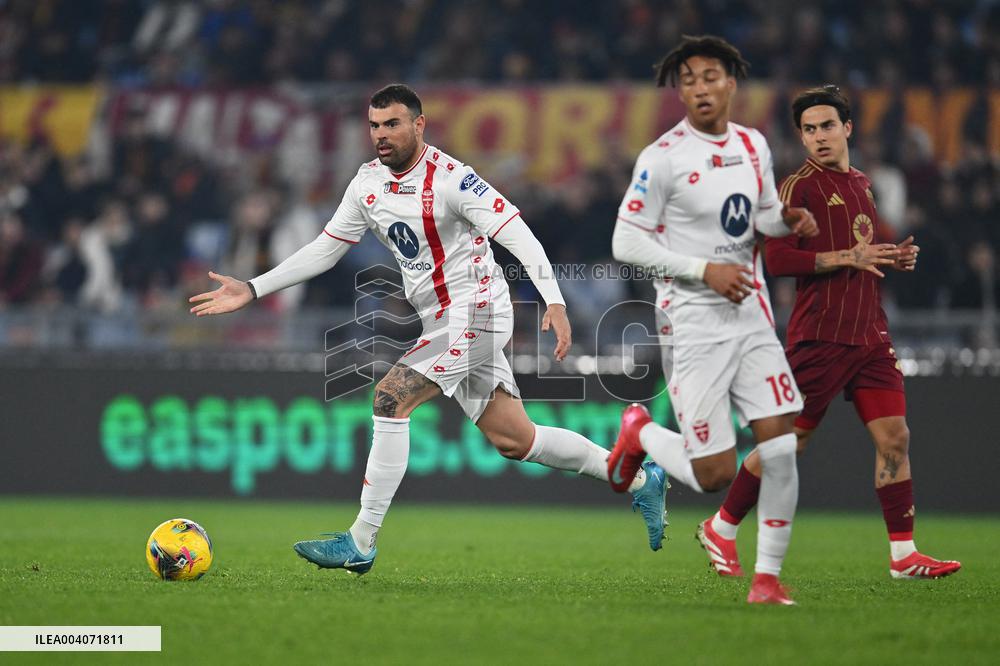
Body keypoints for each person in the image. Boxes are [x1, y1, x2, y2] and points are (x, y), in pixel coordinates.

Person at [189, 84, 669, 573]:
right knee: (515, 440)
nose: (382, 134)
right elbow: (327, 247)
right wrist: (252, 287)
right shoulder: (367, 183)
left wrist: (555, 299)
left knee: (389, 398)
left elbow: (516, 232)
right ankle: (639, 480)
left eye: (393, 124)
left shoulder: (452, 179)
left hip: (479, 312)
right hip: (442, 321)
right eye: (375, 125)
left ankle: (361, 541)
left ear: (419, 125)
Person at [701, 85, 960, 580]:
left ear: (848, 128)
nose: (818, 137)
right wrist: (848, 258)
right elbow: (776, 259)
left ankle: (903, 556)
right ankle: (722, 525)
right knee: (786, 444)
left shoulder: (863, 183)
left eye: (826, 126)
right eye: (808, 129)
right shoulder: (798, 186)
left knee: (895, 437)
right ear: (801, 137)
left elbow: (867, 247)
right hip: (822, 335)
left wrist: (896, 256)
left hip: (870, 336)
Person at [606, 35, 819, 605]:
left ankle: (767, 581)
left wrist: (786, 220)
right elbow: (626, 241)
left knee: (780, 444)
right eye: (688, 80)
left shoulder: (752, 145)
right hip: (692, 321)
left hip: (750, 314)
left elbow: (762, 213)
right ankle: (641, 433)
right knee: (714, 475)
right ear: (679, 90)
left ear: (731, 82)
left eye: (709, 77)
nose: (698, 88)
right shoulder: (662, 156)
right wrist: (703, 270)